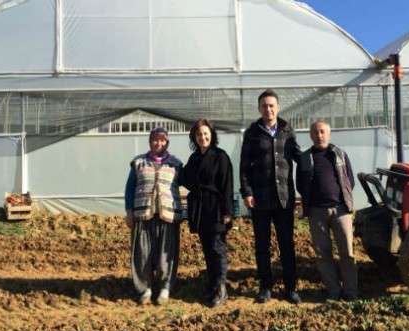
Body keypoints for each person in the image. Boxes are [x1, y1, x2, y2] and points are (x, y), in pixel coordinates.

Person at [240, 89, 302, 304]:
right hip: (261, 199)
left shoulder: (287, 131)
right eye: (264, 106)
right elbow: (244, 166)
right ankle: (265, 286)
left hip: (284, 198)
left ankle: (291, 288)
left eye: (271, 105)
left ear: (278, 107)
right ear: (259, 108)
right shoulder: (252, 133)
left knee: (287, 244)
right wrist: (247, 192)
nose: (268, 109)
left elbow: (298, 158)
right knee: (262, 244)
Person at [296, 120, 358, 301]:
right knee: (323, 254)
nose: (319, 135)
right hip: (316, 212)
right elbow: (300, 183)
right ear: (310, 135)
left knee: (347, 252)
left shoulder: (339, 154)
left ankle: (350, 292)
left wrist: (342, 200)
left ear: (329, 134)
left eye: (322, 132)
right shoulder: (305, 158)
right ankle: (333, 291)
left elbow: (349, 180)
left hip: (341, 211)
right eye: (315, 132)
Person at [124, 127, 183, 305]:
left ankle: (165, 288)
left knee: (167, 253)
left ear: (167, 142)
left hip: (167, 214)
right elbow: (129, 188)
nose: (159, 143)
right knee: (143, 253)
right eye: (155, 140)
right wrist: (129, 212)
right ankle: (145, 288)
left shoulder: (176, 164)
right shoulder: (138, 162)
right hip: (143, 213)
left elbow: (184, 185)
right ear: (150, 142)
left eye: (162, 140)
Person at [180, 119, 234, 308]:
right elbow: (184, 178)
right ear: (194, 137)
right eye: (199, 134)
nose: (202, 137)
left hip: (216, 208)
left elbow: (227, 184)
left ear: (211, 134)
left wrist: (228, 211)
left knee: (217, 249)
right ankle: (212, 286)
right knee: (207, 250)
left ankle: (221, 289)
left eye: (205, 133)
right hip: (201, 210)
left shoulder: (220, 156)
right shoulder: (194, 158)